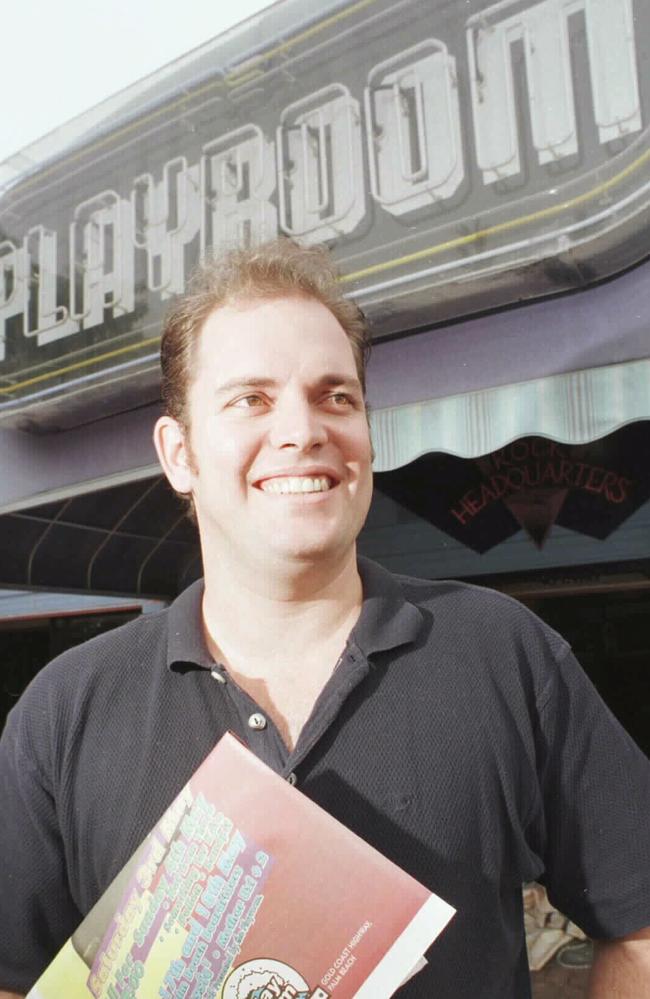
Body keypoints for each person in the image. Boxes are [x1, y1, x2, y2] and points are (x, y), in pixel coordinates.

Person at [1, 239, 649, 999]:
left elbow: (639, 925)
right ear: (179, 453)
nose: (304, 429)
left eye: (336, 395)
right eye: (251, 398)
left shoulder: (506, 654)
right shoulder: (67, 709)